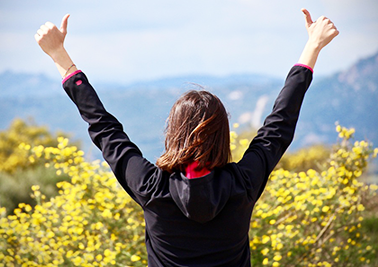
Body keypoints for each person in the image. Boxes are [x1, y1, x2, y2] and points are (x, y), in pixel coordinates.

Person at [35, 8, 338, 267]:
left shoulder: (151, 187)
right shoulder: (242, 183)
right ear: (223, 135)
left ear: (173, 132)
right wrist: (312, 47)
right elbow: (280, 125)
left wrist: (59, 55)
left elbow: (103, 128)